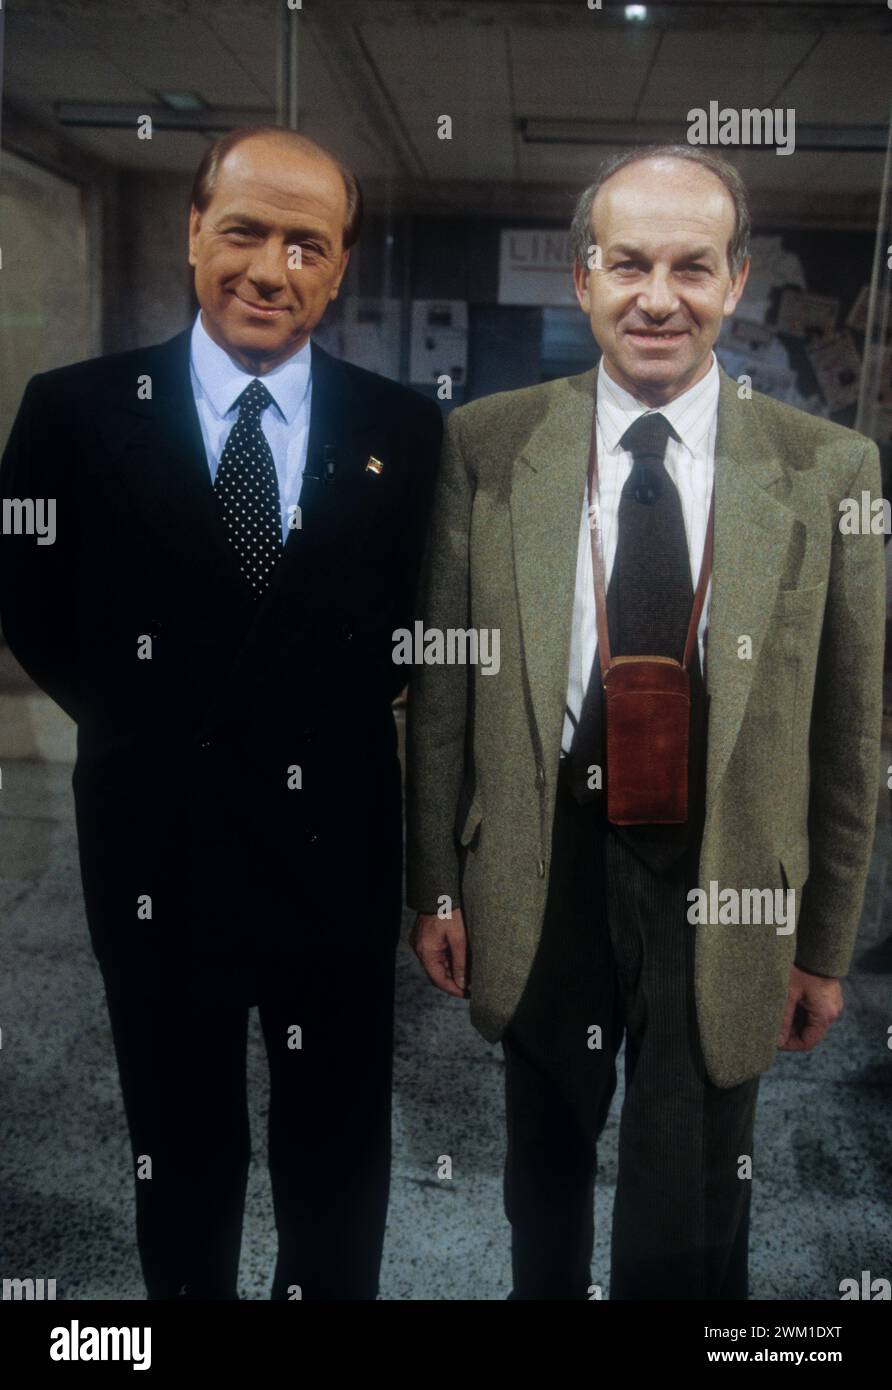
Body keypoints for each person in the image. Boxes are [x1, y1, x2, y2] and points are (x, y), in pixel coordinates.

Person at [406, 145, 884, 1300]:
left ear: (736, 280)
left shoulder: (828, 469)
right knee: (544, 1181)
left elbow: (849, 730)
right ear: (582, 279)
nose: (657, 297)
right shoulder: (489, 442)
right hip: (540, 862)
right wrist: (435, 884)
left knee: (694, 1199)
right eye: (628, 264)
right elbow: (447, 694)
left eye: (691, 266)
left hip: (722, 879)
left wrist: (823, 939)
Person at [0, 125, 442, 1300]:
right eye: (244, 229)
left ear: (339, 268)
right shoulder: (75, 412)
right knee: (180, 1143)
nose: (270, 267)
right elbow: (29, 604)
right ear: (192, 232)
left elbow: (411, 626)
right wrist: (150, 720)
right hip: (155, 845)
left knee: (338, 1147)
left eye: (309, 243)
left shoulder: (404, 431)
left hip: (333, 846)